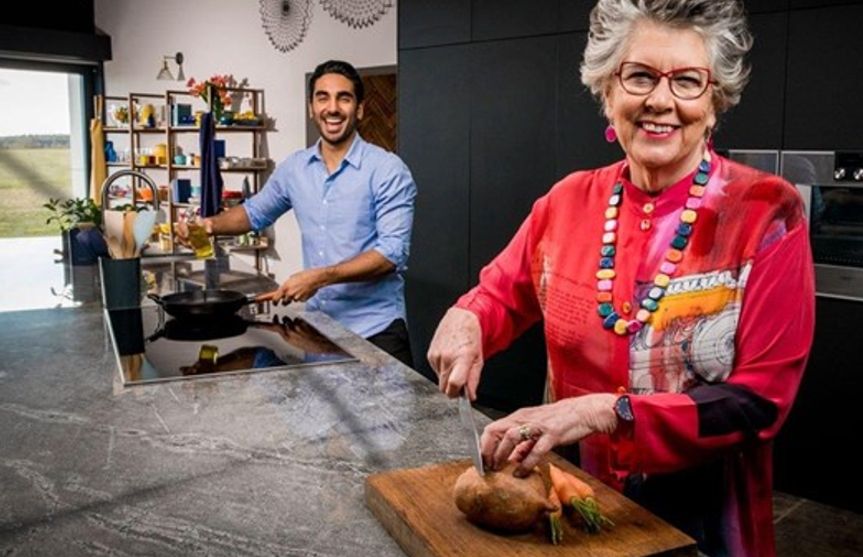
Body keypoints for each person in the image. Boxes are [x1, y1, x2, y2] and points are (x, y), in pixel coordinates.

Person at [426, 1, 814, 555]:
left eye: (687, 81)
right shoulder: (566, 202)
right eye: (639, 76)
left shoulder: (766, 212)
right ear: (608, 91)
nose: (660, 100)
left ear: (714, 101)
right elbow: (499, 296)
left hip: (706, 527)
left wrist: (601, 411)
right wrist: (467, 317)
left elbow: (761, 402)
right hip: (572, 508)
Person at [178, 60, 417, 366]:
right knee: (323, 415)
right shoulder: (294, 169)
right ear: (311, 108)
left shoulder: (387, 170)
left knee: (389, 416)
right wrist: (209, 225)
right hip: (318, 330)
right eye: (323, 97)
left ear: (359, 109)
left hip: (376, 333)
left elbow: (392, 254)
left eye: (344, 98)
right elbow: (254, 213)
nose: (333, 108)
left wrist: (319, 277)